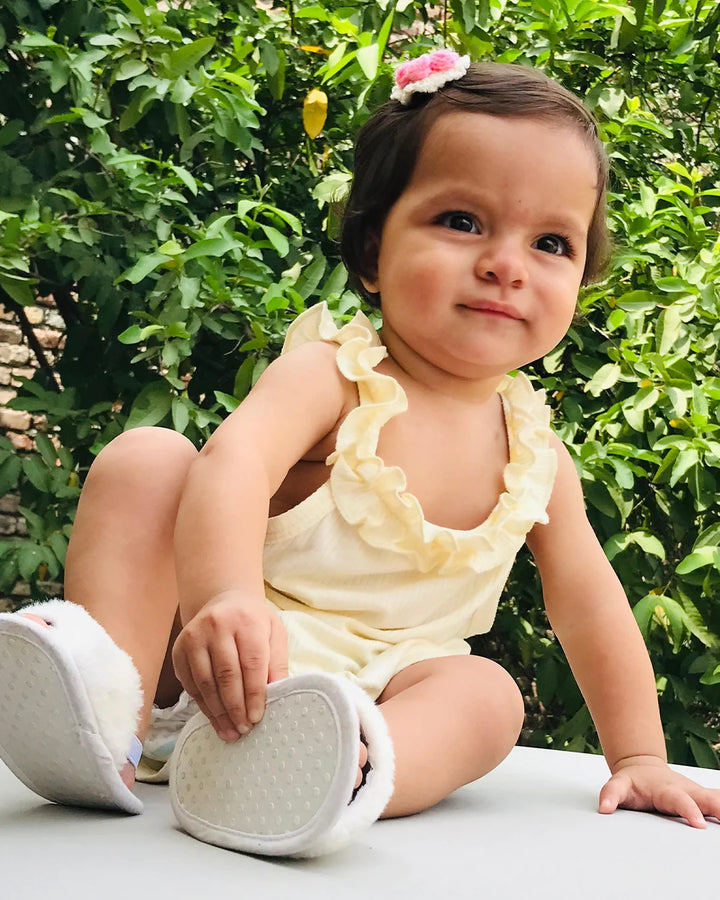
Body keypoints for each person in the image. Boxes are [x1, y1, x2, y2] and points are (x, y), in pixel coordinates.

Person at [1, 50, 718, 857]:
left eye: (552, 241)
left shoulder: (539, 455)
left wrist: (640, 757)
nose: (506, 266)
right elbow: (234, 465)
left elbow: (589, 605)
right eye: (461, 221)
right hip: (222, 662)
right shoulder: (337, 375)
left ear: (584, 277)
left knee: (487, 695)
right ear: (375, 250)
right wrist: (224, 598)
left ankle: (336, 776)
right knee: (150, 458)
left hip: (355, 704)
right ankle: (109, 727)